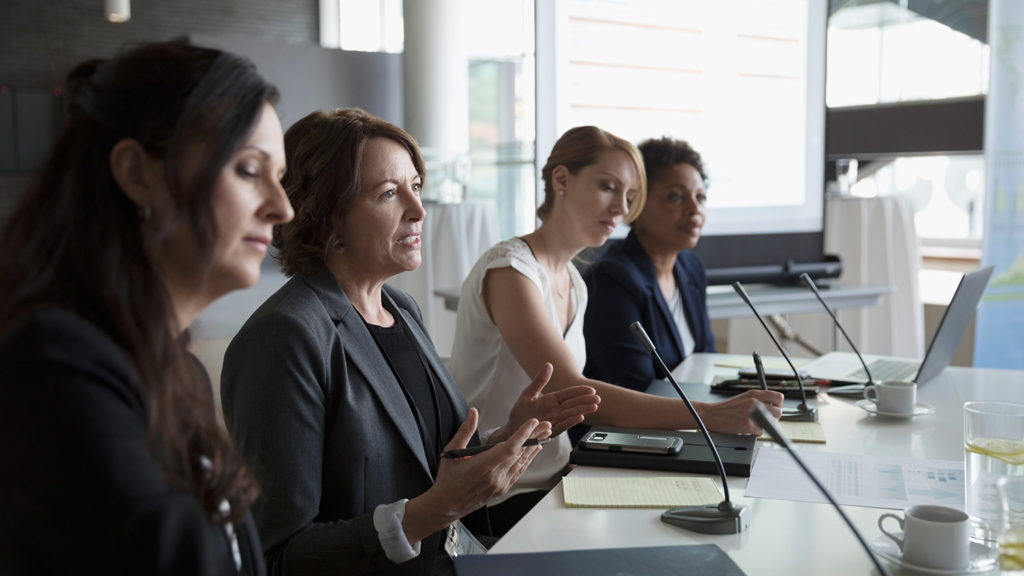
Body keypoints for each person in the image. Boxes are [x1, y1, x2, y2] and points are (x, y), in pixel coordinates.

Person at [220, 108, 599, 576]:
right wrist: (434, 511)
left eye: (415, 187)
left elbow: (425, 463)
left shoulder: (400, 308)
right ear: (325, 214)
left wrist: (504, 438)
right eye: (388, 193)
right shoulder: (285, 337)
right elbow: (279, 559)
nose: (419, 211)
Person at [0, 40, 292, 574]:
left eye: (281, 177)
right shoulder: (57, 370)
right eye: (250, 170)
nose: (282, 207)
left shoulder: (177, 371)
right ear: (138, 174)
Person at [450, 127, 783, 530]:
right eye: (608, 187)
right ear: (562, 180)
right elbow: (570, 391)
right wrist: (711, 416)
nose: (621, 209)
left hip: (555, 481)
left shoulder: (574, 281)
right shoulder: (511, 270)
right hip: (498, 496)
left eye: (629, 197)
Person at [583, 136, 715, 392]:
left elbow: (707, 359)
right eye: (675, 197)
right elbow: (635, 387)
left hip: (691, 416)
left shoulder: (691, 268)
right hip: (633, 427)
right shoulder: (612, 279)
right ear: (637, 205)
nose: (693, 209)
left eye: (700, 197)